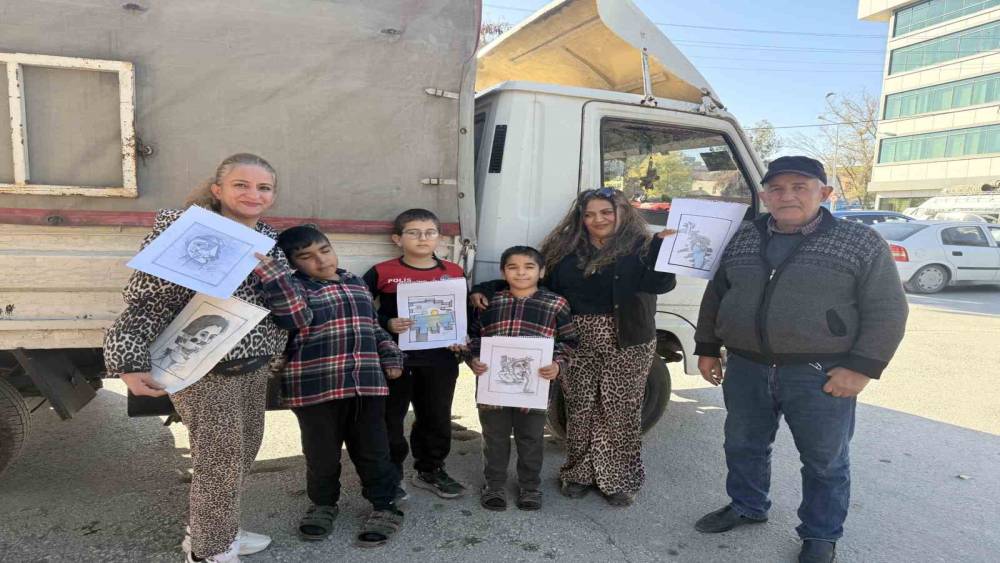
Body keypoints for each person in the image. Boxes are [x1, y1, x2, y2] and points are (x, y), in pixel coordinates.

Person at [692, 156, 908, 563]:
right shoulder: (743, 237)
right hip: (746, 366)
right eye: (776, 188)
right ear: (764, 196)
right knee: (743, 444)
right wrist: (706, 347)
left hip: (820, 373)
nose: (786, 195)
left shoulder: (860, 242)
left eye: (799, 187)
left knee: (825, 460)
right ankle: (747, 505)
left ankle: (821, 534)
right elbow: (717, 294)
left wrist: (861, 368)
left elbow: (888, 310)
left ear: (824, 193)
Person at [104, 153, 288, 563]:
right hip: (203, 369)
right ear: (217, 190)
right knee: (219, 462)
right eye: (241, 185)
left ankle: (218, 529)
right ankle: (210, 552)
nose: (253, 194)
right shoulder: (191, 233)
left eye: (264, 187)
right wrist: (129, 362)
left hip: (252, 366)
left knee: (242, 453)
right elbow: (147, 300)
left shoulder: (268, 239)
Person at [472, 187, 676, 506]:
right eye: (589, 214)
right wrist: (485, 288)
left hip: (629, 339)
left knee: (619, 410)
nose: (598, 219)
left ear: (622, 212)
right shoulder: (564, 250)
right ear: (580, 217)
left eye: (606, 212)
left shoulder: (642, 246)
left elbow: (661, 284)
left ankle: (616, 480)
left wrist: (662, 249)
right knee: (579, 408)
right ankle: (578, 474)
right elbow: (531, 281)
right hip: (576, 339)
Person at [254, 225, 405, 548]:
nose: (321, 261)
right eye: (306, 257)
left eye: (324, 250)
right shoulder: (294, 288)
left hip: (366, 385)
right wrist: (275, 276)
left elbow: (373, 327)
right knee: (320, 453)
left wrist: (391, 354)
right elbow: (293, 318)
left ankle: (385, 505)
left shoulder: (356, 283)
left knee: (374, 449)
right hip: (314, 388)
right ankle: (323, 504)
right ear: (292, 264)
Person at [362, 209, 467, 499]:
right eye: (413, 232)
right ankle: (391, 473)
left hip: (440, 359)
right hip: (395, 359)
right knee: (390, 418)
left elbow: (463, 313)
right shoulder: (382, 272)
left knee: (436, 417)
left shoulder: (453, 272)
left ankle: (431, 469)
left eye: (430, 232)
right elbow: (358, 308)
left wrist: (460, 339)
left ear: (439, 238)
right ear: (397, 239)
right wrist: (386, 323)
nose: (423, 238)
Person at [464, 246, 577, 512]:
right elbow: (473, 337)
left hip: (535, 388)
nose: (521, 272)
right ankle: (494, 485)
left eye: (529, 267)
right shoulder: (490, 302)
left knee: (531, 438)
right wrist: (474, 359)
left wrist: (557, 365)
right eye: (513, 267)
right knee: (495, 436)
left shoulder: (555, 304)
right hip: (493, 388)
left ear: (542, 271)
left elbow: (570, 341)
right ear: (503, 272)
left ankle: (530, 487)